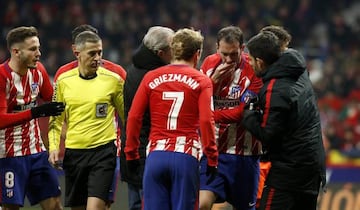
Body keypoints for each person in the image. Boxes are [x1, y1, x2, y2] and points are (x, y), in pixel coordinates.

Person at [125, 28, 219, 210]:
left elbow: (134, 116)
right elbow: (207, 121)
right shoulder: (201, 80)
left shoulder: (151, 77)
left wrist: (131, 153)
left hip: (155, 157)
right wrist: (212, 158)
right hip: (186, 157)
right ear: (197, 54)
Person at [243, 31, 326, 210]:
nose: (248, 63)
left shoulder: (275, 88)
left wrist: (248, 115)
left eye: (250, 60)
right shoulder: (297, 67)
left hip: (290, 171)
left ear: (260, 62)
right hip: (312, 165)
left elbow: (268, 134)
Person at [48, 31, 125, 210]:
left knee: (95, 207)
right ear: (77, 54)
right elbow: (56, 120)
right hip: (74, 154)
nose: (97, 58)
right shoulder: (63, 81)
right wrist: (53, 147)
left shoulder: (114, 80)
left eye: (100, 52)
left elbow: (127, 116)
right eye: (92, 53)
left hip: (104, 152)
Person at [199, 26, 263, 210]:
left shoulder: (253, 69)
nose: (227, 59)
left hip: (246, 154)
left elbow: (241, 114)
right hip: (214, 151)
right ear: (217, 47)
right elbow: (197, 102)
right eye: (224, 53)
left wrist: (208, 115)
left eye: (233, 54)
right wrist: (212, 83)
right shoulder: (209, 65)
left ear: (242, 49)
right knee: (202, 204)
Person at [0, 26, 64, 210]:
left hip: (37, 152)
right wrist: (35, 112)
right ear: (16, 52)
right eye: (33, 49)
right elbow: (1, 120)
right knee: (10, 208)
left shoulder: (38, 71)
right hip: (8, 156)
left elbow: (54, 104)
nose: (39, 53)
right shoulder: (2, 76)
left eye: (38, 48)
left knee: (54, 205)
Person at [119, 26, 174, 210]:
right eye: (172, 48)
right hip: (146, 150)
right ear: (160, 53)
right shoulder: (153, 77)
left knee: (136, 203)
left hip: (134, 149)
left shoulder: (134, 70)